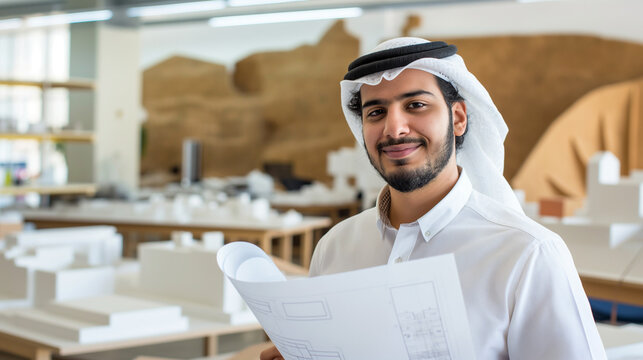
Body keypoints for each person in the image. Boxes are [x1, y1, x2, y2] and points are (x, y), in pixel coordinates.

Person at [261, 37, 606, 359]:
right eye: (376, 112)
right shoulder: (335, 247)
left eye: (416, 105)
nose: (394, 129)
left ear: (457, 118)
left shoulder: (527, 255)